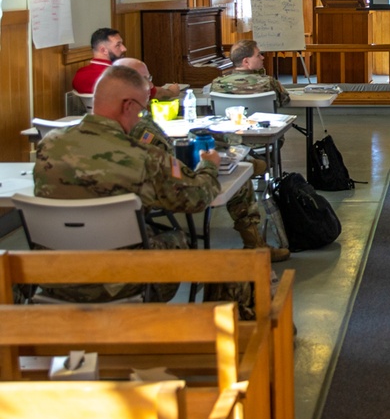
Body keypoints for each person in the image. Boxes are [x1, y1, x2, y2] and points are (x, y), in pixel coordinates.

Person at [33, 65, 220, 303]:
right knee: (179, 240)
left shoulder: (49, 144)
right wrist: (209, 166)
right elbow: (198, 197)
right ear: (128, 106)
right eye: (142, 111)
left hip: (52, 275)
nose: (141, 118)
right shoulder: (144, 157)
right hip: (120, 282)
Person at [117, 58, 289, 263]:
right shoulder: (138, 125)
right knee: (239, 174)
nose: (151, 87)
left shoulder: (121, 122)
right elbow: (166, 166)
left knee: (231, 160)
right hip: (164, 189)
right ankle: (255, 245)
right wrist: (208, 165)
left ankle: (241, 165)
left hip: (130, 201)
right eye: (146, 80)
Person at [211, 39, 290, 107]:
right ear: (246, 61)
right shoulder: (268, 82)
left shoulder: (217, 84)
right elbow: (285, 101)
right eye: (258, 55)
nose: (262, 57)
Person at [71, 28, 128, 94]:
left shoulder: (79, 75)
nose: (124, 49)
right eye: (118, 45)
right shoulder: (119, 77)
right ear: (103, 50)